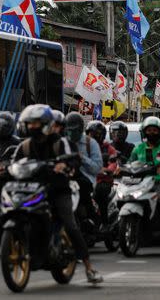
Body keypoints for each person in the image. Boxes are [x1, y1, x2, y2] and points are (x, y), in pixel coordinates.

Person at [11, 104, 102, 284]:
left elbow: (74, 160)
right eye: (30, 124)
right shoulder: (24, 146)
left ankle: (89, 268)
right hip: (31, 190)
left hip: (58, 191)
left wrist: (65, 166)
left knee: (70, 224)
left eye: (37, 123)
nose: (33, 127)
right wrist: (1, 169)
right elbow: (13, 164)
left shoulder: (61, 143)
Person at [127, 116, 160, 254]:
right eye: (149, 130)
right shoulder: (138, 148)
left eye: (154, 130)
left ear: (159, 132)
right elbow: (130, 163)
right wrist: (122, 168)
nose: (151, 133)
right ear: (144, 132)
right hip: (140, 183)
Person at [64, 113, 103, 229]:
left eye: (74, 130)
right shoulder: (63, 142)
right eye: (69, 130)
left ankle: (90, 218)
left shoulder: (90, 143)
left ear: (80, 129)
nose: (71, 134)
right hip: (67, 179)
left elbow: (97, 168)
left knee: (82, 187)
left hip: (86, 180)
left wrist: (82, 158)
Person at [86, 121, 118, 228]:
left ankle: (105, 223)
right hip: (86, 179)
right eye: (90, 134)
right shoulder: (84, 147)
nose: (93, 136)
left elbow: (113, 162)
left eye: (96, 134)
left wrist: (107, 170)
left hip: (102, 180)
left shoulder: (107, 148)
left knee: (100, 193)